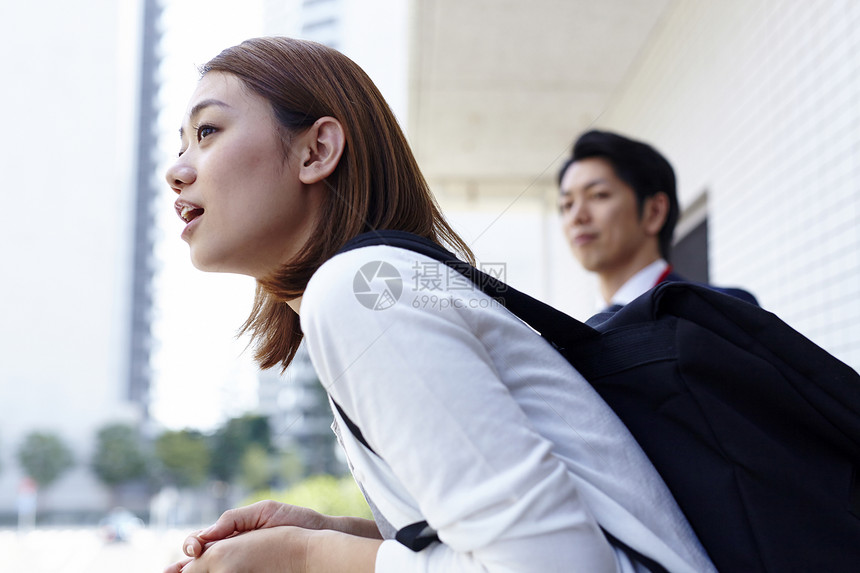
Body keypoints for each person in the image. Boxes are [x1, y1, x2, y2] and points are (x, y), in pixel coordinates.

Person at [163, 37, 716, 573]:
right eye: (181, 143)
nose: (177, 170)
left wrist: (307, 559)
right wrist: (335, 532)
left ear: (317, 150)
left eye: (207, 131)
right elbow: (483, 538)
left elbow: (552, 565)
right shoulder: (372, 290)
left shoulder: (358, 292)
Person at [557, 130, 758, 310]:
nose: (576, 217)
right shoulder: (570, 342)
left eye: (598, 195)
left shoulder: (723, 312)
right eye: (567, 205)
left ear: (654, 211)